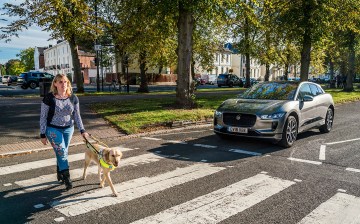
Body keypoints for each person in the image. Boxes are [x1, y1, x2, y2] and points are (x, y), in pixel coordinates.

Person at [40, 74, 89, 191]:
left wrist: (83, 130)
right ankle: (67, 179)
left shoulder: (73, 98)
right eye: (60, 82)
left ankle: (60, 170)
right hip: (53, 129)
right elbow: (43, 117)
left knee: (63, 151)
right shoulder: (49, 98)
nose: (63, 84)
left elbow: (77, 116)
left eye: (65, 82)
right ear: (55, 84)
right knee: (62, 152)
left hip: (68, 129)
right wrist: (42, 134)